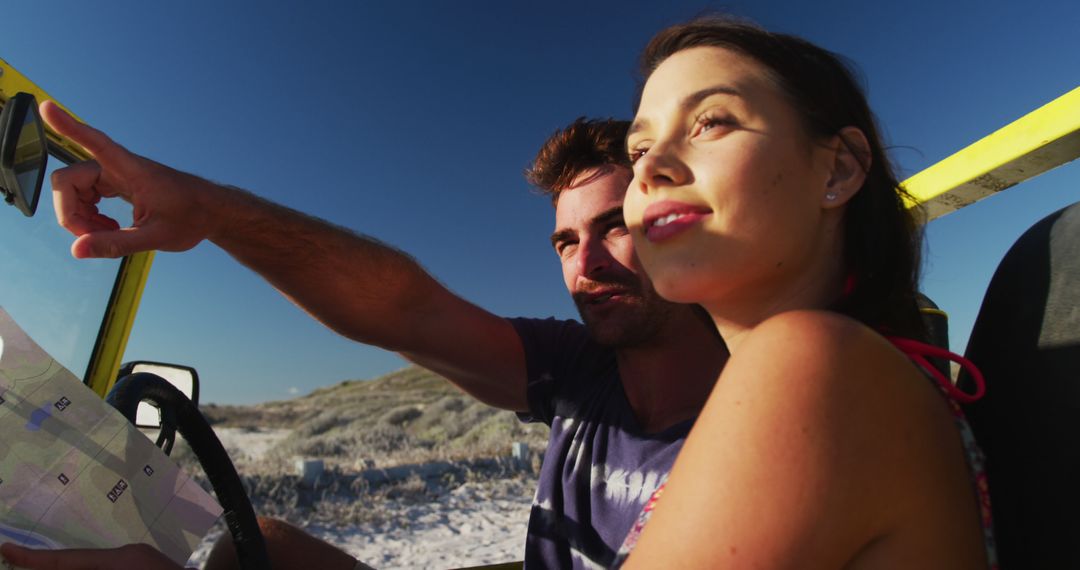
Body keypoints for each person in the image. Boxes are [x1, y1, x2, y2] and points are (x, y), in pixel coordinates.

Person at [0, 110, 726, 570]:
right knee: (261, 547)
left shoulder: (759, 415)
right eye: (565, 241)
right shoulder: (579, 368)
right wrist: (209, 211)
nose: (585, 264)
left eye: (614, 228)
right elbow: (404, 309)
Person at [608, 17, 996, 568]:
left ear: (838, 167)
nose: (651, 170)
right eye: (639, 149)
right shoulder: (846, 368)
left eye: (710, 122)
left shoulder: (810, 360)